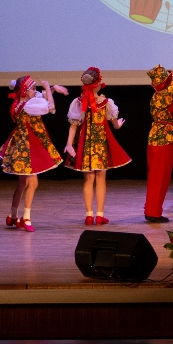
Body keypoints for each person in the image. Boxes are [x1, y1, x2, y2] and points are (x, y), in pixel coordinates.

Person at [0, 75, 68, 232]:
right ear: (24, 91)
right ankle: (26, 218)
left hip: (24, 143)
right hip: (28, 146)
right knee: (33, 183)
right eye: (33, 89)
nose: (36, 91)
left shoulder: (21, 103)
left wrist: (53, 89)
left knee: (22, 183)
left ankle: (12, 215)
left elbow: (41, 97)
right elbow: (51, 107)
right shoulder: (29, 106)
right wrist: (48, 87)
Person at [65, 67, 131, 225]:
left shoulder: (79, 102)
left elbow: (74, 125)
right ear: (98, 84)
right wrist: (118, 124)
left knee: (88, 180)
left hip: (86, 145)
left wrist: (69, 143)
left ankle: (89, 215)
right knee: (101, 179)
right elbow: (115, 125)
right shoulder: (105, 103)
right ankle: (99, 215)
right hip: (100, 144)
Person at [144, 57, 173, 223]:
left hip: (156, 138)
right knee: (160, 177)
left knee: (155, 176)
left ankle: (152, 210)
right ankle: (153, 212)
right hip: (164, 139)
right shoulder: (166, 96)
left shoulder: (157, 96)